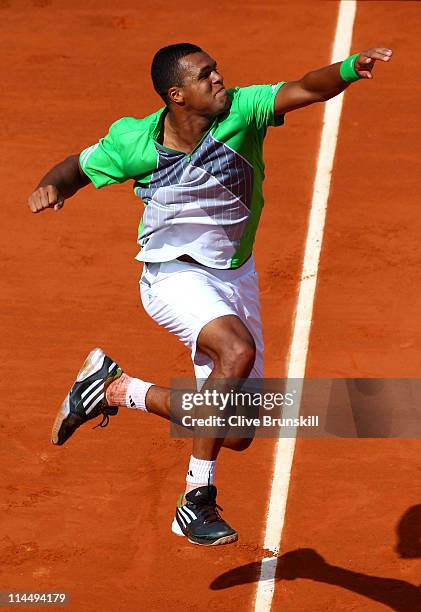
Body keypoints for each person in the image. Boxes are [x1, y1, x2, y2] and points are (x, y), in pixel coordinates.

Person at [28, 43, 392, 546]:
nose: (219, 78)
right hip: (170, 275)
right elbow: (75, 165)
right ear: (177, 95)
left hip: (234, 276)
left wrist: (350, 69)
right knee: (235, 350)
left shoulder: (243, 111)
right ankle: (195, 499)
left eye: (216, 70)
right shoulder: (134, 141)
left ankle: (113, 389)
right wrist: (54, 187)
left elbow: (308, 86)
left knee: (237, 429)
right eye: (206, 76)